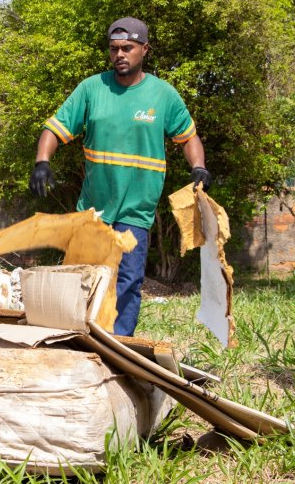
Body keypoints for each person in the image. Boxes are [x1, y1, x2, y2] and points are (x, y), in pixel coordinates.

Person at [29, 17, 211, 336]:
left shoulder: (163, 95)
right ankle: (74, 337)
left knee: (127, 279)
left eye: (127, 48)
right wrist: (42, 161)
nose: (120, 55)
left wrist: (198, 166)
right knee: (82, 275)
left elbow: (188, 137)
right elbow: (54, 128)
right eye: (114, 49)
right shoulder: (92, 89)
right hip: (94, 208)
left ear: (145, 50)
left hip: (137, 209)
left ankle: (117, 342)